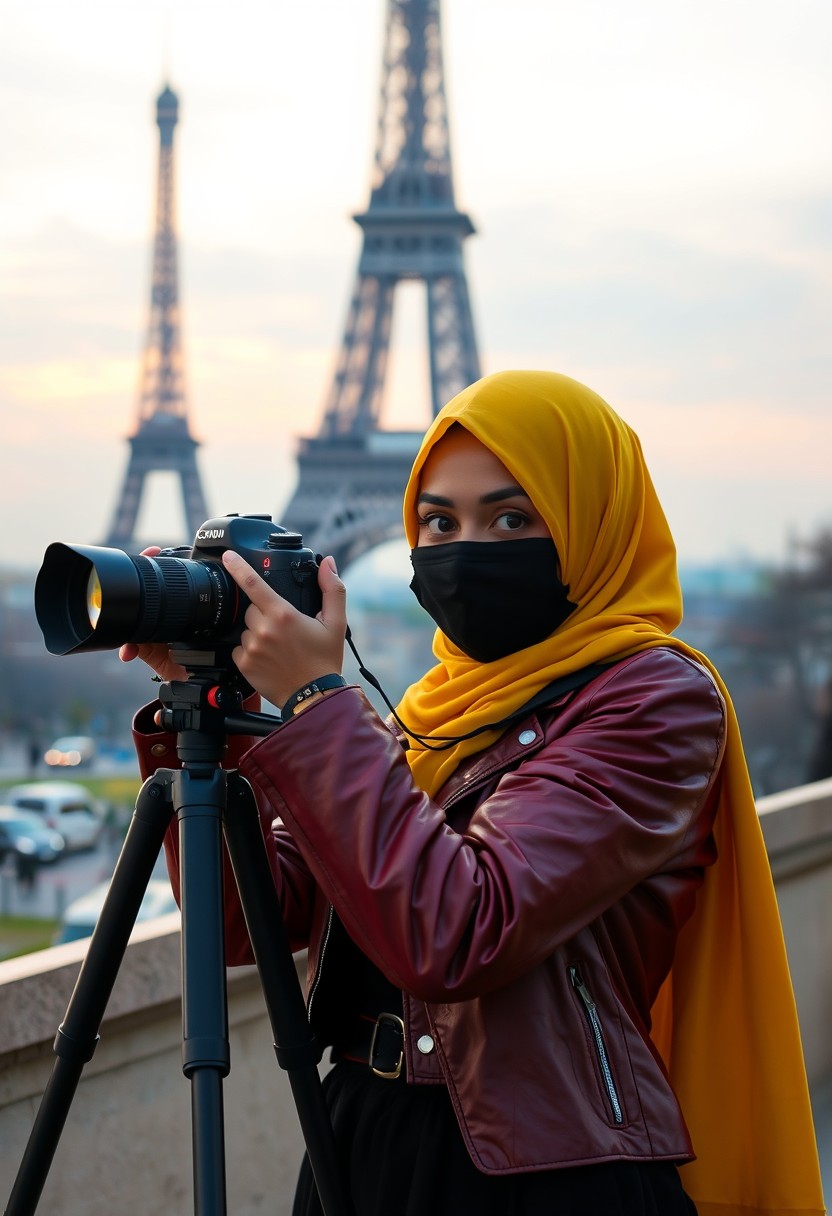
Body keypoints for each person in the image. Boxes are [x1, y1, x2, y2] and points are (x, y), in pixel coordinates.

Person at [124, 370, 825, 1216]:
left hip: (541, 1171)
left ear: (590, 524)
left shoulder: (654, 701)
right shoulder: (429, 712)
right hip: (360, 1136)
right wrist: (218, 715)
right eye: (438, 521)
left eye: (512, 518)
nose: (466, 550)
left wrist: (315, 701)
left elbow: (461, 929)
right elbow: (249, 922)